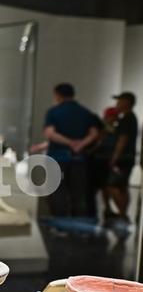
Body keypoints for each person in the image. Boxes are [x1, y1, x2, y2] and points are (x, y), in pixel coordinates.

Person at [43, 83, 99, 218]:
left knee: (57, 191)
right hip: (78, 158)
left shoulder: (53, 112)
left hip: (57, 158)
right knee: (78, 193)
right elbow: (94, 133)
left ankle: (59, 222)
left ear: (57, 95)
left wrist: (69, 142)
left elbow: (50, 133)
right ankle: (77, 223)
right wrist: (79, 145)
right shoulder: (85, 112)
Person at [105, 92, 138, 223]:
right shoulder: (130, 118)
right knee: (122, 187)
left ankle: (122, 214)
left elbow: (122, 140)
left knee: (112, 185)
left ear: (126, 102)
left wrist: (114, 158)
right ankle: (123, 214)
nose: (117, 103)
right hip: (128, 158)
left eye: (119, 101)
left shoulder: (126, 119)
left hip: (122, 158)